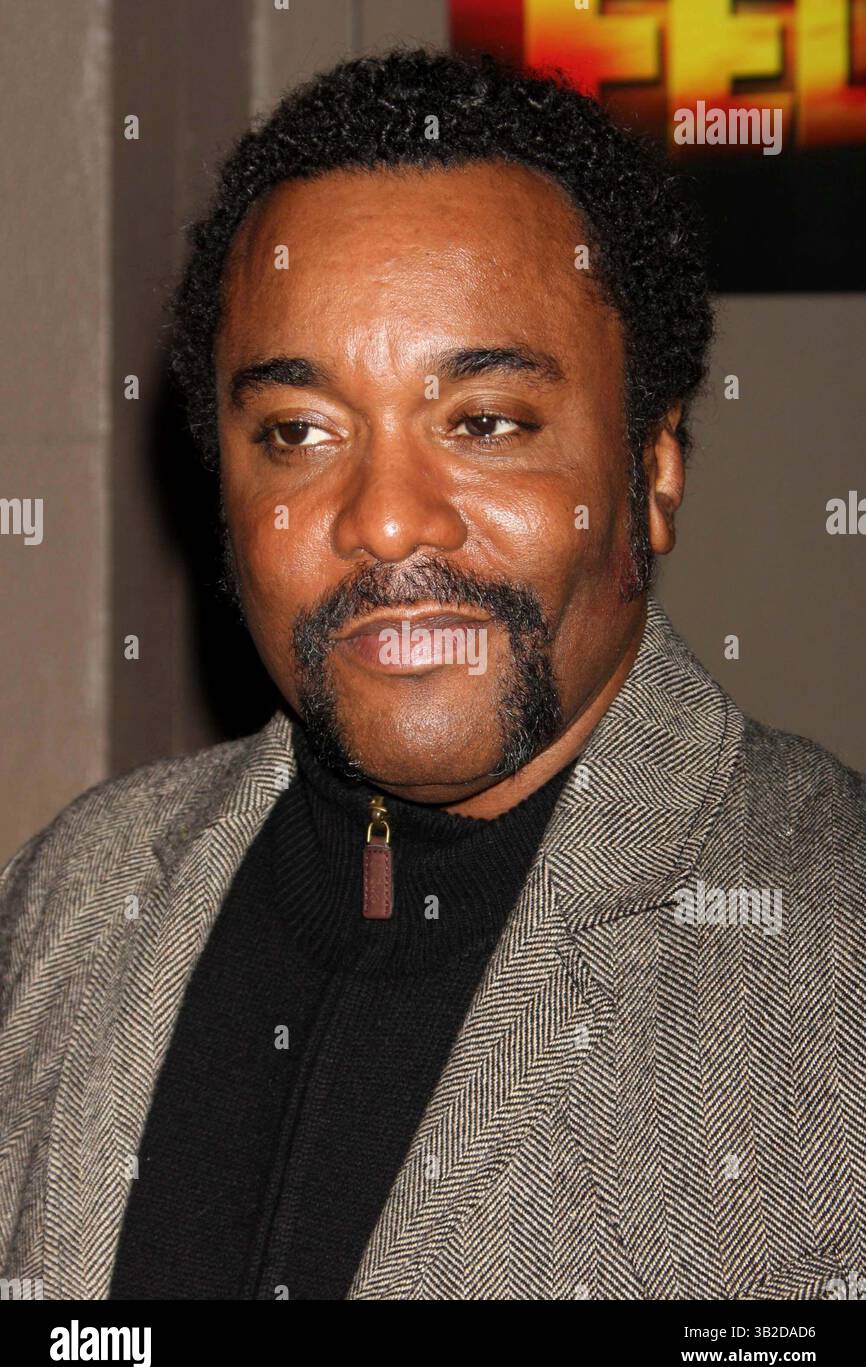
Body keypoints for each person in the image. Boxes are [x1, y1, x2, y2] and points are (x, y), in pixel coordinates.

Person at [1, 47, 863, 1301]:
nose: (387, 519)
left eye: (484, 423)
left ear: (651, 467)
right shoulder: (73, 898)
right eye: (299, 432)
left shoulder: (830, 958)